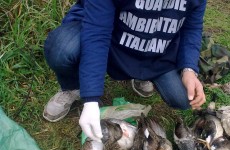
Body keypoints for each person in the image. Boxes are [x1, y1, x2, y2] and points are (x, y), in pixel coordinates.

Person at [43, 0, 207, 142]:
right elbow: (97, 35)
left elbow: (192, 28)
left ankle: (143, 73)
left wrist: (189, 69)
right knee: (62, 49)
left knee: (183, 98)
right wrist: (91, 98)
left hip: (156, 47)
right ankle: (73, 87)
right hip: (113, 39)